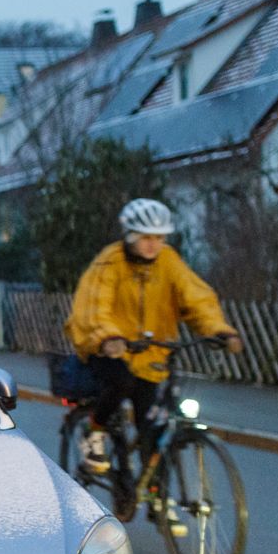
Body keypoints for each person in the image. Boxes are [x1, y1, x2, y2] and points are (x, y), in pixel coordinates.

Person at [65, 198, 244, 476]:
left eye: (159, 238)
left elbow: (196, 297)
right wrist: (109, 337)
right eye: (146, 237)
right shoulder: (110, 262)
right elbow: (94, 306)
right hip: (110, 349)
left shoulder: (168, 261)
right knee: (120, 382)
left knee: (153, 429)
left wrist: (219, 330)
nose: (153, 244)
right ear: (130, 235)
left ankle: (157, 502)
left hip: (152, 357)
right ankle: (94, 429)